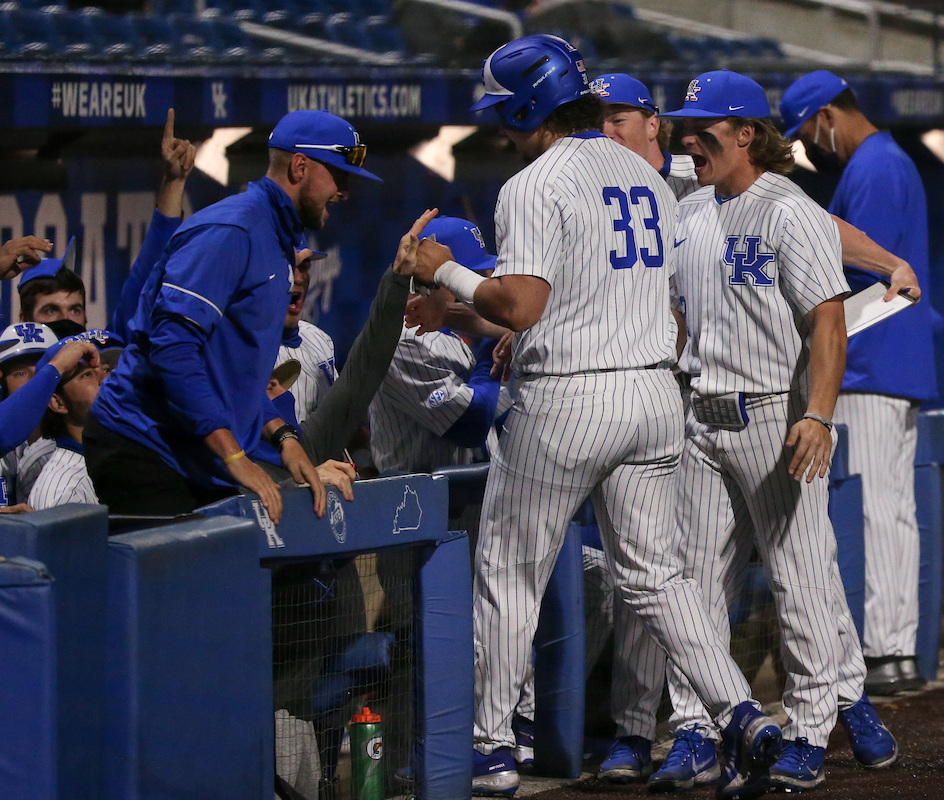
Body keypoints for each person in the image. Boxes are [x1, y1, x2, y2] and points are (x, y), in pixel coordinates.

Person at [414, 34, 783, 798]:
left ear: (529, 105)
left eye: (505, 113)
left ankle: (490, 750)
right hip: (652, 394)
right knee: (661, 579)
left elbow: (521, 302)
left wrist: (442, 271)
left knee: (510, 573)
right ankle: (739, 712)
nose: (502, 128)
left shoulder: (533, 182)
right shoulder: (646, 175)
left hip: (570, 398)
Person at [625, 70, 898, 793]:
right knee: (693, 589)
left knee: (801, 582)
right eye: (684, 126)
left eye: (703, 127)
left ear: (747, 133)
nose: (688, 139)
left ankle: (811, 729)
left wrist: (818, 413)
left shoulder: (788, 211)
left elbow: (828, 321)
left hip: (773, 418)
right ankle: (697, 729)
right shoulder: (689, 211)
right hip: (701, 417)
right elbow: (682, 316)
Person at [86, 109, 382, 522]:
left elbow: (230, 372)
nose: (344, 192)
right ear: (300, 166)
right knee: (188, 583)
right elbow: (172, 348)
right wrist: (234, 454)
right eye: (339, 177)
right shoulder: (233, 231)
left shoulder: (278, 240)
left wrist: (283, 437)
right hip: (142, 444)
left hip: (188, 452)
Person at [780, 70, 937, 695]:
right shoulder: (886, 160)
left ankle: (885, 647)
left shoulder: (872, 167)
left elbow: (854, 278)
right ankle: (893, 647)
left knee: (877, 508)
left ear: (825, 117)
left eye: (805, 132)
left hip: (871, 362)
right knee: (890, 508)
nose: (807, 145)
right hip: (890, 363)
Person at [369, 215, 511, 474]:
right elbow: (472, 424)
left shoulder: (448, 335)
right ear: (433, 277)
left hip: (463, 503)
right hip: (421, 507)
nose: (481, 285)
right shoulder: (404, 340)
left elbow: (497, 413)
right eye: (473, 275)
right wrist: (493, 353)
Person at [110, 108, 197, 337]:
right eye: (50, 310)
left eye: (75, 309)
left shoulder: (106, 347)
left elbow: (149, 273)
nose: (66, 318)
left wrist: (174, 182)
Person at [28, 332, 124, 510]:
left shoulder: (122, 456)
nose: (105, 380)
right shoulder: (63, 492)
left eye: (104, 370)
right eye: (87, 374)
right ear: (58, 402)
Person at [593, 73, 700, 201]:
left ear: (652, 125)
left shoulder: (699, 175)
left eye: (618, 120)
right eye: (594, 124)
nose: (604, 133)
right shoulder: (580, 185)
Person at [0, 322, 62, 505]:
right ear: (1, 385)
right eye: (21, 373)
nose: (36, 382)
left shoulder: (78, 443)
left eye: (43, 370)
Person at [276, 239, 335, 423]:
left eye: (304, 267)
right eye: (289, 266)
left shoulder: (320, 340)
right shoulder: (235, 345)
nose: (299, 278)